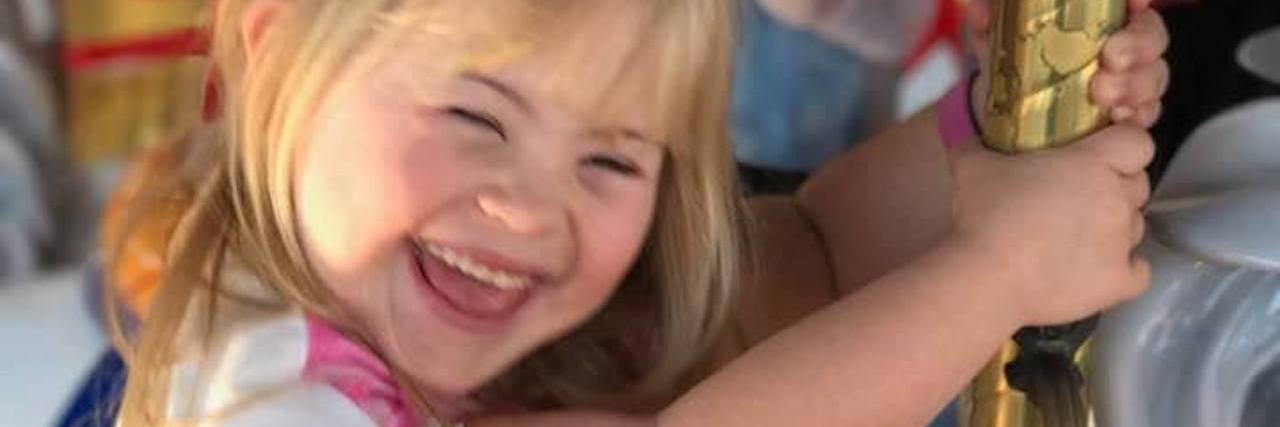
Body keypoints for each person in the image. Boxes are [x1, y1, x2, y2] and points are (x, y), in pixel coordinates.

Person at [107, 0, 1170, 425]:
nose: (528, 211)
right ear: (273, 38)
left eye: (611, 160)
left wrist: (995, 121)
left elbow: (820, 247)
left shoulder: (414, 285)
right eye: (475, 113)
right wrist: (998, 268)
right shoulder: (275, 403)